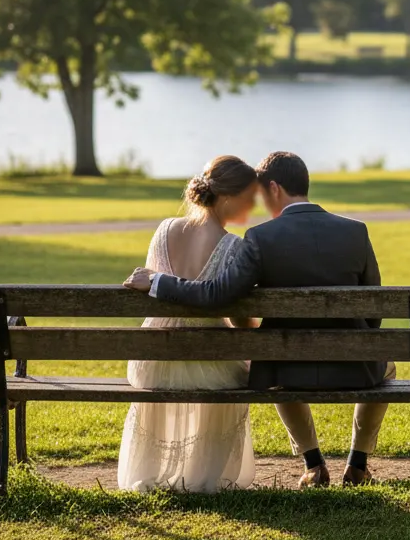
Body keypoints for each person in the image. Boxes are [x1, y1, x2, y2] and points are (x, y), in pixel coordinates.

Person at [123, 151, 391, 489]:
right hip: (355, 367)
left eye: (261, 194)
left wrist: (159, 282)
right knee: (387, 365)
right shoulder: (356, 231)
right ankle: (357, 463)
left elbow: (217, 293)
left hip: (286, 367)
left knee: (273, 365)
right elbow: (375, 315)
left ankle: (313, 464)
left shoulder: (260, 239)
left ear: (275, 188)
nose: (259, 202)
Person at [118, 155, 259, 493]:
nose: (254, 203)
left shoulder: (164, 230)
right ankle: (205, 478)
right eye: (249, 196)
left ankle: (154, 473)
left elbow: (157, 295)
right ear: (227, 197)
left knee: (195, 366)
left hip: (153, 360)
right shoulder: (234, 248)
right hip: (211, 364)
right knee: (233, 369)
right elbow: (241, 323)